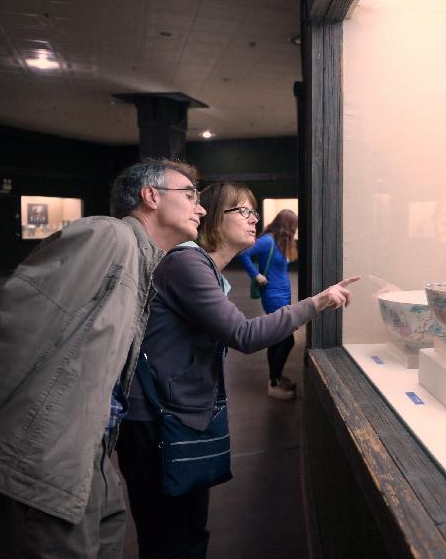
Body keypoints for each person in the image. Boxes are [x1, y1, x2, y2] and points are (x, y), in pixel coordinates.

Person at [0, 159, 207, 558]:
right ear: (151, 196)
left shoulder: (143, 262)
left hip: (89, 459)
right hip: (41, 461)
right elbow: (5, 343)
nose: (201, 207)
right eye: (191, 195)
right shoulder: (106, 238)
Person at [117, 181, 357, 559]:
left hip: (174, 413)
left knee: (188, 531)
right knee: (170, 538)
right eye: (243, 211)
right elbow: (242, 334)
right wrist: (318, 302)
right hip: (155, 419)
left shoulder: (201, 266)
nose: (253, 220)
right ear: (215, 217)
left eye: (254, 212)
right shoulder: (186, 262)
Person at [238, 208, 300, 399]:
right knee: (286, 340)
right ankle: (273, 383)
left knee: (277, 338)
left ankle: (275, 379)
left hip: (283, 296)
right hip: (273, 297)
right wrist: (256, 275)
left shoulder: (281, 242)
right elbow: (243, 254)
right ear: (286, 226)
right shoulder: (268, 241)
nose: (294, 231)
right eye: (293, 227)